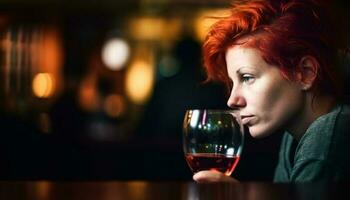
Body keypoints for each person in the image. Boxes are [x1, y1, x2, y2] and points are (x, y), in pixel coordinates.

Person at [194, 0, 350, 183]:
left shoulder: (330, 136)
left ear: (306, 73)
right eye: (232, 82)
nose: (232, 100)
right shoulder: (292, 136)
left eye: (246, 77)